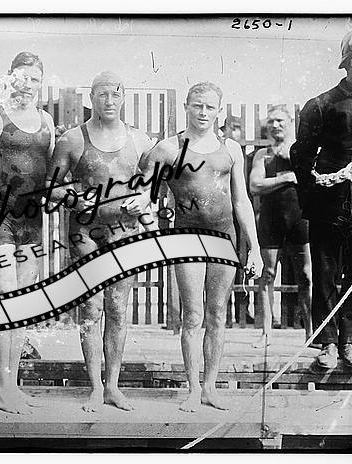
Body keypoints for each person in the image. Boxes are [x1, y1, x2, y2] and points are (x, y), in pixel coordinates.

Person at [140, 82, 263, 412]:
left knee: (218, 314)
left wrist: (254, 247)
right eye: (197, 105)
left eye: (210, 107)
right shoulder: (169, 148)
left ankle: (210, 387)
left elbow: (241, 201)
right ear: (186, 107)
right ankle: (193, 389)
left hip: (224, 238)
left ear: (219, 111)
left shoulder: (230, 149)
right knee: (193, 316)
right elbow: (144, 194)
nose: (203, 112)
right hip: (187, 238)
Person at [46, 71, 154, 412]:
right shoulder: (72, 140)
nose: (109, 100)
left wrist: (145, 197)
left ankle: (113, 387)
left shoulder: (140, 140)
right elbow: (51, 187)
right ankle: (94, 387)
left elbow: (153, 181)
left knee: (118, 310)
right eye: (103, 94)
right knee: (90, 309)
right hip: (85, 234)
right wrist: (76, 199)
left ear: (123, 98)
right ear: (91, 97)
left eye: (115, 94)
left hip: (124, 232)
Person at [0, 51, 55, 414]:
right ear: (9, 77)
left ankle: (13, 387)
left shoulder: (46, 121)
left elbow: (50, 176)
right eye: (22, 77)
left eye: (35, 79)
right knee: (5, 303)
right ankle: (2, 390)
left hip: (30, 225)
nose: (27, 85)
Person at [290, 27, 352, 370]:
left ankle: (351, 341)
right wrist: (314, 196)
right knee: (325, 273)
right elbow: (301, 155)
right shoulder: (321, 105)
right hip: (328, 204)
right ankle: (327, 343)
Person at [249, 105, 312, 348]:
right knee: (267, 274)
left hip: (299, 218)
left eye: (280, 121)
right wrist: (286, 177)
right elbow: (255, 186)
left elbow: (310, 180)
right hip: (271, 220)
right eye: (271, 121)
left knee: (306, 275)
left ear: (291, 123)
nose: (275, 125)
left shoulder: (302, 151)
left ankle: (310, 332)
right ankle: (266, 334)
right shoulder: (262, 155)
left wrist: (276, 179)